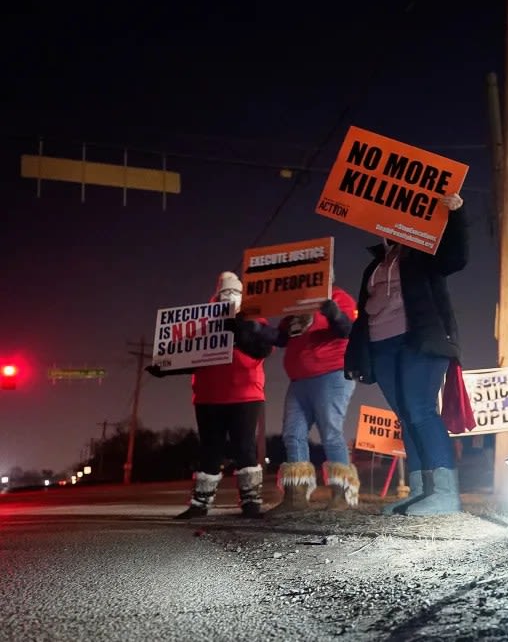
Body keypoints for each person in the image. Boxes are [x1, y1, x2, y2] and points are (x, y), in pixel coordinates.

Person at [344, 193, 468, 516]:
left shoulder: (424, 252)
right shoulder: (375, 264)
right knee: (405, 415)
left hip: (420, 340)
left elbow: (455, 258)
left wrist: (455, 215)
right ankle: (420, 490)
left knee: (421, 409)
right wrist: (358, 355)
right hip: (382, 345)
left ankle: (446, 494)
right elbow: (363, 314)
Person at [147, 271, 272, 519]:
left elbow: (263, 349)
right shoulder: (202, 324)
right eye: (225, 294)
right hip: (208, 397)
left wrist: (240, 331)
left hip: (245, 396)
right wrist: (166, 367)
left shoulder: (256, 319)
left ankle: (251, 502)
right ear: (216, 297)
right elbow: (189, 356)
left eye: (234, 294)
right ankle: (200, 504)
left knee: (244, 448)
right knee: (210, 450)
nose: (229, 298)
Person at [265, 281, 360, 514]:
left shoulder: (339, 296)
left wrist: (334, 313)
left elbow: (348, 329)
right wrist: (252, 328)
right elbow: (282, 338)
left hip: (331, 373)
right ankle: (296, 497)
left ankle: (342, 495)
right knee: (292, 434)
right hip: (299, 380)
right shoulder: (298, 305)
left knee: (330, 431)